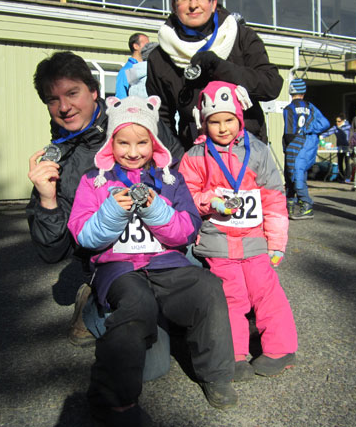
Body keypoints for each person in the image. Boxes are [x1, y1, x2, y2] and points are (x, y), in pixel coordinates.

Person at [67, 95, 238, 425]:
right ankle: (111, 400)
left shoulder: (171, 179)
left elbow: (185, 232)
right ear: (110, 144)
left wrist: (155, 208)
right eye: (123, 143)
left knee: (207, 288)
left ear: (154, 142)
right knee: (137, 305)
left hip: (165, 264)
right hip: (119, 269)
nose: (133, 152)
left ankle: (216, 374)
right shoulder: (94, 181)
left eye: (142, 142)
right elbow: (85, 237)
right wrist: (113, 211)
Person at [26, 51, 184, 347]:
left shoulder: (137, 118)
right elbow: (53, 252)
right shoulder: (57, 161)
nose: (64, 107)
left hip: (164, 243)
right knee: (147, 348)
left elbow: (181, 180)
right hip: (111, 260)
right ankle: (94, 302)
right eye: (52, 99)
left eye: (73, 93)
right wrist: (47, 200)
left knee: (198, 299)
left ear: (94, 91)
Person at [179, 80, 297, 380]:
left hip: (255, 241)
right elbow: (185, 197)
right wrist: (210, 201)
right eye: (214, 122)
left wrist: (277, 243)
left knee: (267, 294)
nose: (222, 128)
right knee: (231, 298)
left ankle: (280, 348)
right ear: (203, 123)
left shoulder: (258, 151)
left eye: (229, 120)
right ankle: (234, 354)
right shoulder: (194, 157)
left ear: (239, 118)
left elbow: (273, 198)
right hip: (218, 243)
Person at [146, 0, 283, 150]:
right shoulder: (159, 57)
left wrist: (219, 67)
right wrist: (178, 160)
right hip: (196, 161)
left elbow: (271, 85)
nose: (193, 5)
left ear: (213, 2)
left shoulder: (241, 37)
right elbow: (162, 118)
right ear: (173, 4)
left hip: (248, 156)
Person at [283, 78, 330, 219]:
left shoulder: (289, 109)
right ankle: (291, 205)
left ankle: (305, 205)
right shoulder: (311, 107)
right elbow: (325, 123)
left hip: (295, 147)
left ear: (291, 91)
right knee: (299, 175)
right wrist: (310, 129)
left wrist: (287, 146)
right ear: (303, 92)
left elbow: (289, 132)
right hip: (308, 147)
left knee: (293, 176)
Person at [115, 33, 149, 99]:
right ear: (136, 46)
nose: (149, 47)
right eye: (146, 44)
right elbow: (121, 97)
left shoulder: (149, 67)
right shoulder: (127, 70)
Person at [320, 114, 352, 183]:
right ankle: (341, 176)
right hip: (339, 147)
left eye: (339, 121)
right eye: (336, 121)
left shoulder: (348, 127)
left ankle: (347, 177)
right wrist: (321, 136)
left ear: (343, 121)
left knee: (347, 162)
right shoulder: (335, 127)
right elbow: (329, 132)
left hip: (347, 147)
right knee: (340, 162)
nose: (337, 123)